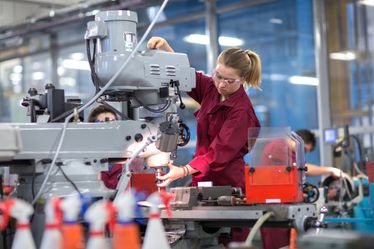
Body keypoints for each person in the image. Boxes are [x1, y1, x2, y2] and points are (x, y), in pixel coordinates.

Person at [147, 36, 261, 243]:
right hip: (202, 181)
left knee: (228, 239)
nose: (221, 84)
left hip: (228, 185)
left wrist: (182, 171)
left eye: (229, 80)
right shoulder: (211, 88)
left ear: (242, 79)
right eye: (218, 76)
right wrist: (165, 48)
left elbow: (219, 153)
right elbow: (184, 75)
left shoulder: (241, 112)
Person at [260, 129, 345, 249]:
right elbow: (304, 168)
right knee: (278, 245)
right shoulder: (279, 147)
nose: (303, 153)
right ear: (298, 141)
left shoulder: (288, 152)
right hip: (274, 207)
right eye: (304, 149)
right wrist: (330, 170)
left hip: (282, 204)